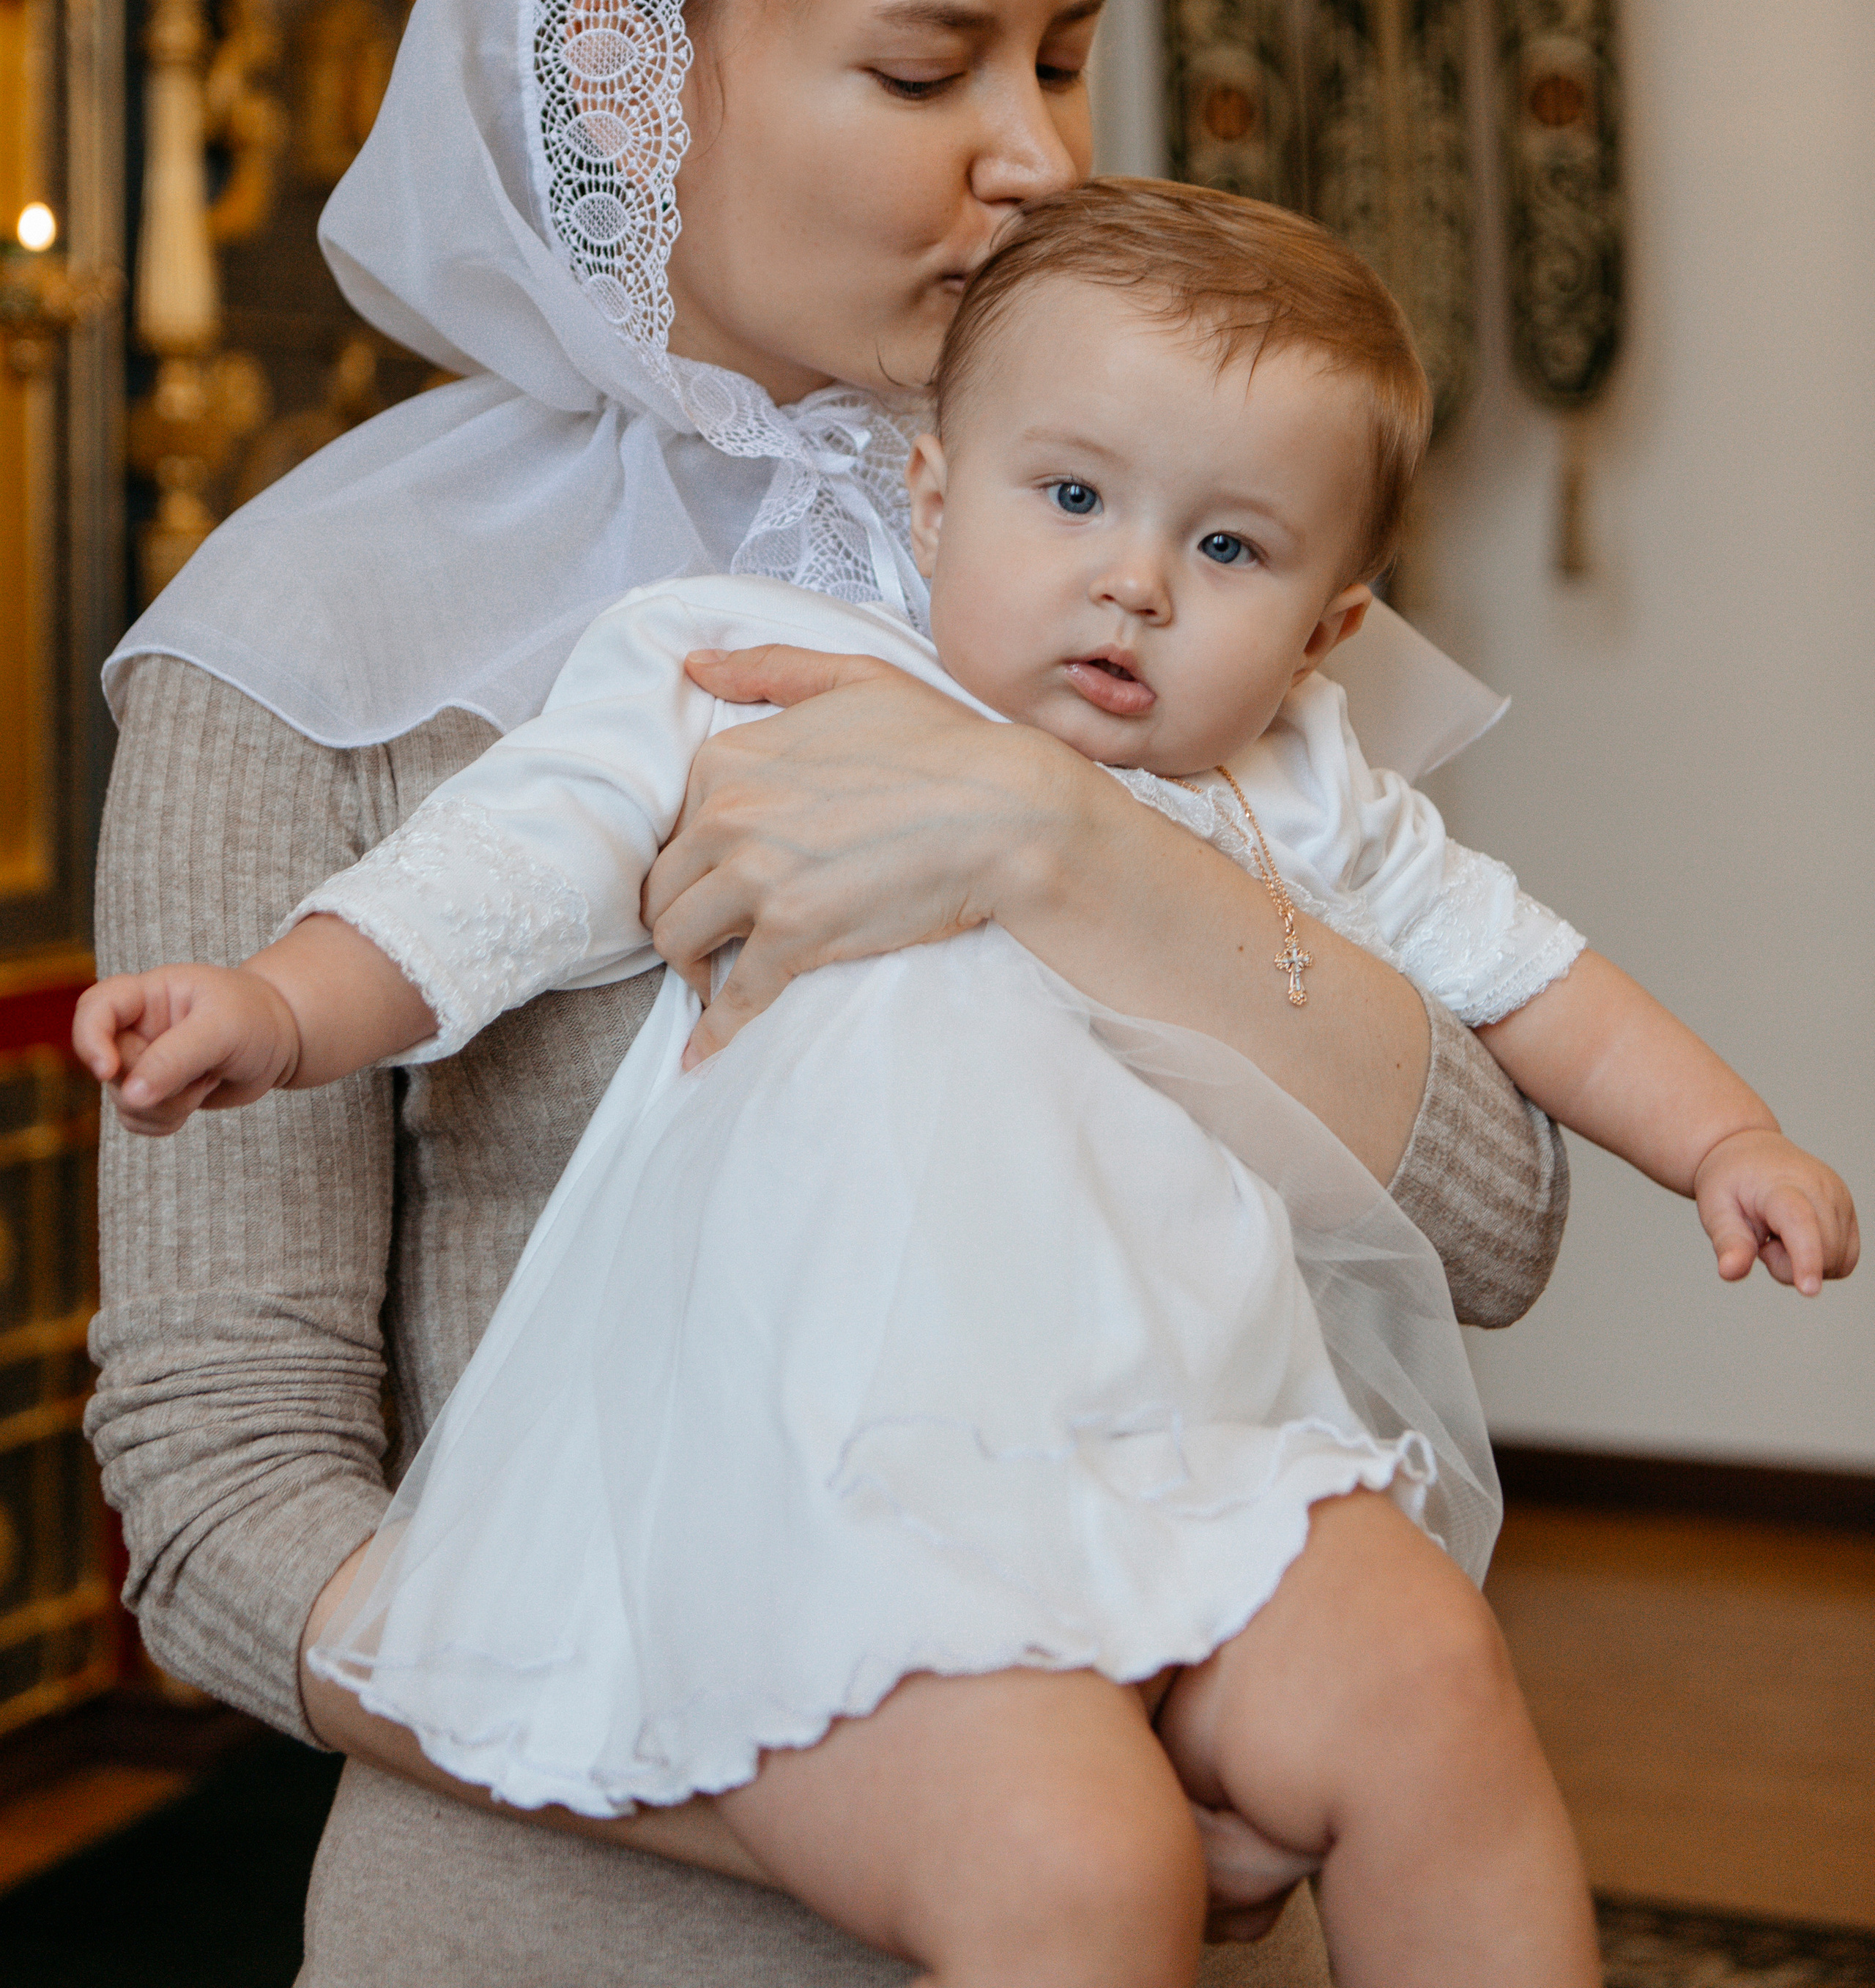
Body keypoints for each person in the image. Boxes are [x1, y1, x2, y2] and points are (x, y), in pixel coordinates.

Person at [85, 0, 1573, 1988]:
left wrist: (1075, 847)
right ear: (617, 73)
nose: (1039, 157)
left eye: (1068, 55)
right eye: (926, 67)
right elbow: (221, 1506)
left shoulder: (1127, 542)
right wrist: (920, 1814)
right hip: (603, 1912)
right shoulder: (315, 652)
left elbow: (1494, 1231)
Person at [76, 185, 1856, 1988]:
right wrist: (281, 1008)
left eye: (1229, 552)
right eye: (1070, 498)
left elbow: (1530, 977)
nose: (1133, 581)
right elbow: (503, 869)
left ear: (1328, 630)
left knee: (1431, 1694)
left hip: (1193, 1442)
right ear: (932, 495)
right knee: (1070, 1876)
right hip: (829, 1468)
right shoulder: (757, 672)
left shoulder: (1295, 787)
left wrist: (1719, 1135)